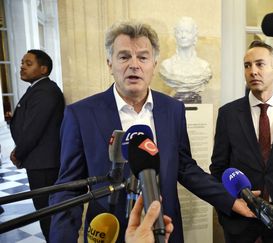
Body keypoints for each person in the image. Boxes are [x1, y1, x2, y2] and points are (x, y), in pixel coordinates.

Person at [49, 20, 254, 243]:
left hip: (165, 230)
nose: (134, 65)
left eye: (142, 57)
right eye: (124, 56)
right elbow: (68, 189)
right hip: (112, 234)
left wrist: (229, 200)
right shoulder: (81, 115)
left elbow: (185, 167)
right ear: (110, 63)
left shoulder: (173, 109)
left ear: (153, 64)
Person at [210, 40, 273, 243]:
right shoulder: (228, 114)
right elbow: (218, 168)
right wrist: (227, 208)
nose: (253, 71)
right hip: (239, 218)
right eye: (247, 66)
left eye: (260, 64)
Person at [10, 49, 65, 241]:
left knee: (47, 212)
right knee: (44, 212)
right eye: (22, 62)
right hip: (40, 161)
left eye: (28, 63)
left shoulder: (46, 91)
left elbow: (34, 128)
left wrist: (19, 153)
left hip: (44, 164)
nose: (22, 66)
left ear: (43, 69)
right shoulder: (37, 88)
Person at [159, 16, 212, 103]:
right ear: (175, 35)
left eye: (187, 32)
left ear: (195, 36)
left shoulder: (204, 67)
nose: (183, 36)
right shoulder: (167, 66)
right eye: (180, 32)